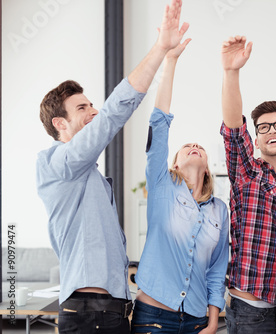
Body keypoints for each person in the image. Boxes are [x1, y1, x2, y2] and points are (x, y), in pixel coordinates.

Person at [36, 0, 188, 332]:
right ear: (60, 124)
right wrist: (161, 48)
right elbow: (112, 114)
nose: (93, 111)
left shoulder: (91, 177)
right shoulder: (56, 164)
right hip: (89, 312)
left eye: (92, 104)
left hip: (112, 311)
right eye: (82, 108)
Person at [130, 23, 229, 334]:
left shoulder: (219, 210)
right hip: (154, 317)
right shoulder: (161, 186)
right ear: (173, 161)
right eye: (188, 145)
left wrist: (213, 322)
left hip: (199, 320)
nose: (195, 146)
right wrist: (170, 60)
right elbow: (159, 124)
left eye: (200, 146)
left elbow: (216, 271)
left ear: (208, 166)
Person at [220, 36, 276, 333]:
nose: (272, 131)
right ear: (257, 140)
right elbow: (232, 129)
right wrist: (231, 72)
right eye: (263, 128)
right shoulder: (247, 173)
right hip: (249, 312)